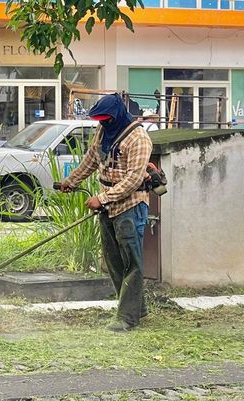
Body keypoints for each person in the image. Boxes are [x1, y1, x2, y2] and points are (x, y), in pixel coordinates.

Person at [60, 93, 153, 332]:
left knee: (131, 261)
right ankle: (136, 307)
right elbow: (92, 159)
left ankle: (127, 318)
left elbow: (133, 179)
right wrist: (71, 181)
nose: (103, 124)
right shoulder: (104, 132)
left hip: (130, 205)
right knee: (112, 260)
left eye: (106, 120)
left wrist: (101, 198)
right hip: (107, 205)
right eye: (99, 120)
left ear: (117, 115)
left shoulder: (139, 138)